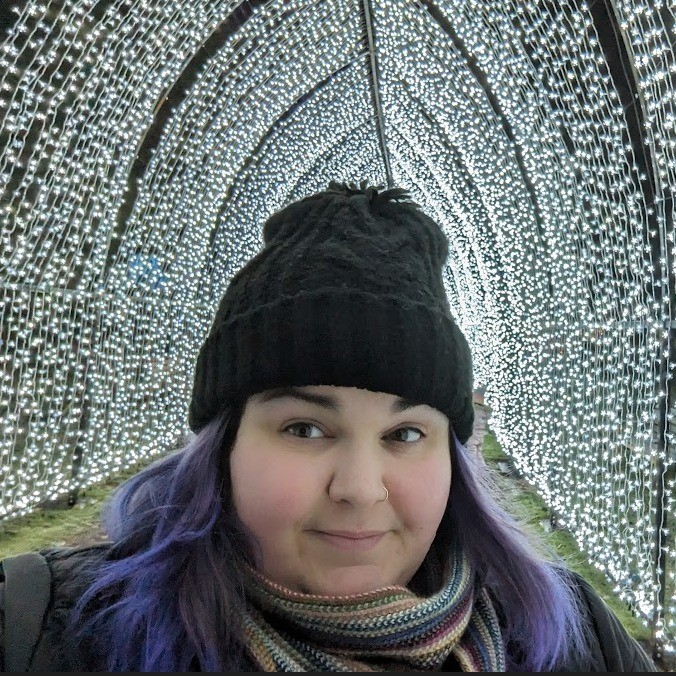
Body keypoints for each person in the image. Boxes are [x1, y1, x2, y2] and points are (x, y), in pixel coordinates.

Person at [0, 181, 657, 672]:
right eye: (305, 429)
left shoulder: (571, 638)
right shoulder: (41, 629)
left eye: (405, 435)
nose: (360, 489)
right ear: (224, 447)